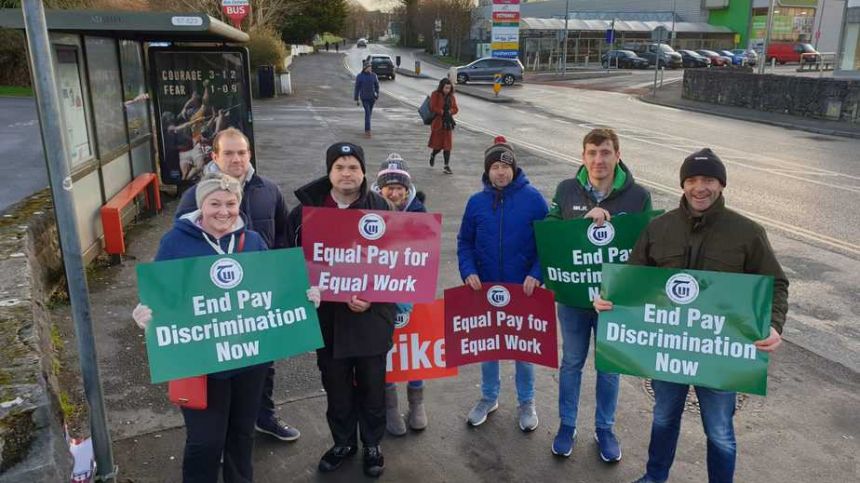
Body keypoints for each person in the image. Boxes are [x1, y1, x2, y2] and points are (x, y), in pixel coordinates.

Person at [594, 148, 789, 483]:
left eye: (709, 180)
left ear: (721, 185)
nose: (701, 187)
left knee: (720, 431)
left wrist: (774, 323)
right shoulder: (660, 228)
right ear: (684, 184)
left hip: (721, 354)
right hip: (669, 350)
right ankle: (655, 477)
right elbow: (633, 278)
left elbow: (777, 284)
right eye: (693, 180)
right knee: (664, 418)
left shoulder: (747, 232)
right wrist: (609, 299)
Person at [132, 173, 322, 483]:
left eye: (231, 203)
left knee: (241, 433)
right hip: (200, 362)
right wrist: (144, 314)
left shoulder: (253, 241)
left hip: (249, 359)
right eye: (215, 203)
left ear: (239, 205)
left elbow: (271, 290)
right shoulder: (176, 242)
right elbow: (159, 294)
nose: (223, 211)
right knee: (205, 441)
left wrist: (303, 297)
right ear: (200, 205)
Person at [175, 128, 300, 444]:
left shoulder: (268, 190)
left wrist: (285, 285)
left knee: (262, 362)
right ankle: (219, 433)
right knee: (219, 371)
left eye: (242, 152)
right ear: (214, 156)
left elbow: (284, 238)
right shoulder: (195, 196)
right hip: (216, 303)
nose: (236, 159)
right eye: (228, 153)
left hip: (257, 301)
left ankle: (264, 416)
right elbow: (179, 249)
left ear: (250, 154)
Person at [286, 142, 395, 478]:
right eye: (340, 167)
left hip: (371, 320)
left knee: (373, 385)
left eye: (353, 167)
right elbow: (290, 266)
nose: (347, 174)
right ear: (329, 172)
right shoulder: (305, 213)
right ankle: (344, 442)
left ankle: (373, 443)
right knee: (336, 386)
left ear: (363, 172)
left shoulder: (384, 209)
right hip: (328, 320)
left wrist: (373, 297)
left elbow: (401, 265)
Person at [546, 128, 652, 461]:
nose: (598, 160)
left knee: (609, 368)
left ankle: (604, 429)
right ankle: (567, 425)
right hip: (575, 300)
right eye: (592, 153)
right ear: (583, 157)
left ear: (617, 155)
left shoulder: (638, 196)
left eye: (605, 152)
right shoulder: (566, 190)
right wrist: (580, 224)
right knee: (572, 363)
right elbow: (550, 233)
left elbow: (646, 248)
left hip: (613, 302)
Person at [457, 136, 548, 431]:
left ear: (514, 169)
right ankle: (489, 396)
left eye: (505, 167)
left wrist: (537, 273)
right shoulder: (476, 203)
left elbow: (547, 245)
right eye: (495, 166)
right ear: (488, 170)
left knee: (523, 349)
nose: (501, 172)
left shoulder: (533, 200)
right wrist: (468, 270)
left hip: (523, 289)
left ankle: (526, 401)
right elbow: (465, 242)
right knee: (489, 346)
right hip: (485, 288)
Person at [370, 153, 429, 436]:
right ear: (379, 189)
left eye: (399, 187)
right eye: (388, 187)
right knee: (385, 349)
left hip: (411, 292)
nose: (394, 192)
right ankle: (390, 405)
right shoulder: (369, 212)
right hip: (379, 293)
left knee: (413, 346)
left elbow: (425, 257)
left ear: (407, 189)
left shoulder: (419, 214)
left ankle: (416, 402)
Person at [428, 78, 458, 174]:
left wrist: (450, 111)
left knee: (447, 146)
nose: (447, 90)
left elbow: (456, 108)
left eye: (449, 88)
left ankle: (446, 166)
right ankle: (433, 154)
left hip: (448, 124)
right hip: (438, 123)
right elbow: (432, 107)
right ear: (442, 87)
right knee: (438, 146)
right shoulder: (435, 94)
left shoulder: (451, 97)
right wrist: (442, 112)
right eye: (446, 88)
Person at [354, 62, 380, 137]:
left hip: (372, 98)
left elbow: (377, 86)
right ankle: (367, 130)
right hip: (364, 98)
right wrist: (356, 98)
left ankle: (367, 126)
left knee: (369, 114)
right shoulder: (360, 76)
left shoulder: (374, 75)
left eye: (370, 67)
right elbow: (357, 87)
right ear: (365, 68)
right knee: (368, 113)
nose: (370, 68)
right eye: (369, 67)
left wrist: (377, 94)